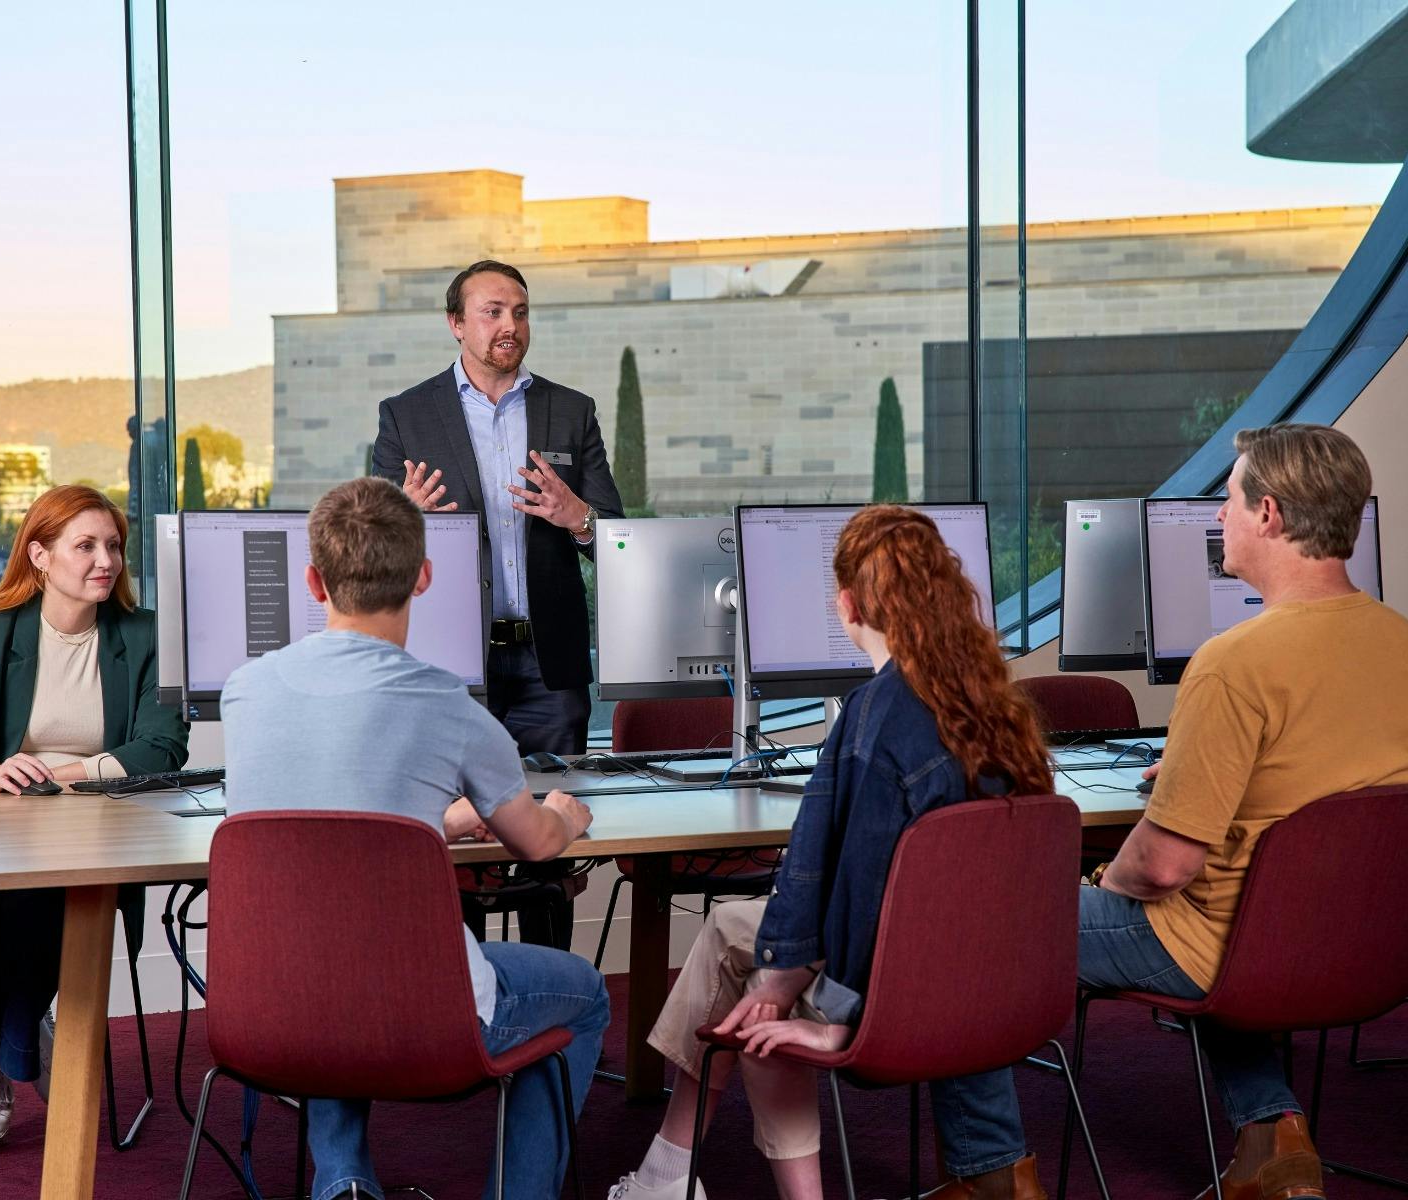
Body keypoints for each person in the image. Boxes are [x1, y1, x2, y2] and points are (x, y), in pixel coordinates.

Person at [929, 424, 1408, 1200]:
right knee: (1212, 899)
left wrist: (1111, 876)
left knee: (973, 919)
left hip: (1226, 940)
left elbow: (1165, 867)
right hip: (1356, 935)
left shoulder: (1234, 662)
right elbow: (1325, 787)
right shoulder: (1401, 640)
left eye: (1228, 498)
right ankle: (1274, 1134)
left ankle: (991, 1172)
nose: (1218, 515)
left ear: (1268, 513)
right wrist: (1203, 776)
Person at [609, 504, 1055, 1200]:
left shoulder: (873, 721)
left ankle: (674, 1175)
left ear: (845, 605)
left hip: (907, 994)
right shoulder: (994, 703)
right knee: (758, 959)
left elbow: (853, 887)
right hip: (995, 978)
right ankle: (667, 1171)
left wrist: (836, 1011)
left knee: (751, 965)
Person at [221, 476, 609, 1200]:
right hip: (424, 1015)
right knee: (586, 993)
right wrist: (567, 815)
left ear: (313, 580)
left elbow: (332, 819)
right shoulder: (447, 706)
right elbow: (536, 845)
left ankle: (342, 1182)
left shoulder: (245, 689)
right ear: (425, 577)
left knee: (328, 949)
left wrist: (438, 821)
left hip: (271, 1007)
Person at [0, 484, 188, 1150]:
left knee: (36, 893)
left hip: (93, 831)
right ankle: (13, 1032)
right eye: (85, 546)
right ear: (39, 554)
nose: (106, 561)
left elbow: (162, 746)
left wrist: (63, 776)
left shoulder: (145, 635)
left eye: (113, 546)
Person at [371, 258, 625, 950]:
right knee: (457, 841)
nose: (509, 325)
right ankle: (468, 1009)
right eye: (492, 312)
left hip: (551, 665)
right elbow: (371, 547)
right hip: (454, 666)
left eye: (519, 311)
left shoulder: (571, 411)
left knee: (550, 847)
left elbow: (615, 539)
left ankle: (559, 997)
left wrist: (580, 517)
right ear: (456, 324)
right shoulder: (407, 416)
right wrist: (404, 516)